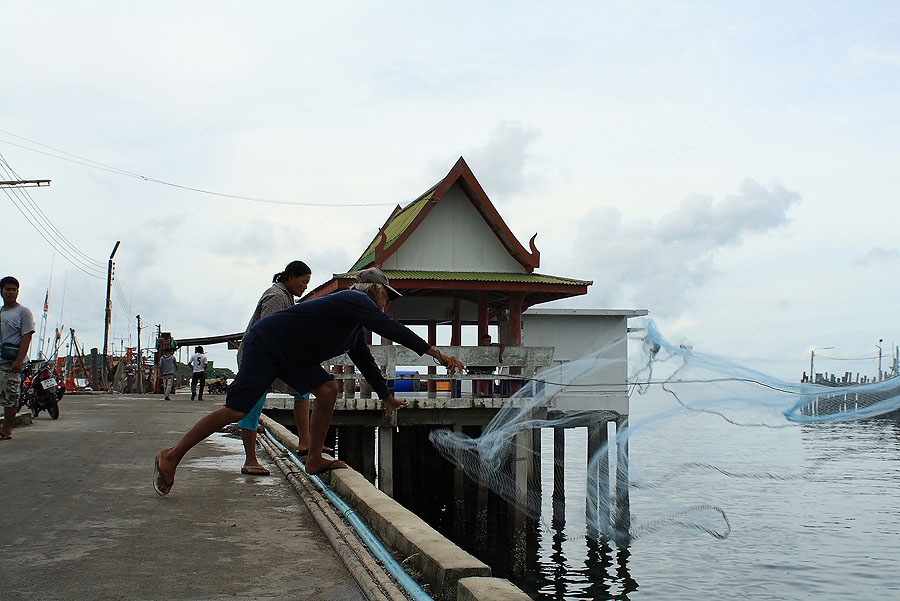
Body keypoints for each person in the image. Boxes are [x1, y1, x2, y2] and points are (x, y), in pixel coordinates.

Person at [154, 267, 464, 495]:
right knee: (237, 410)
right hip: (266, 344)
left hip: (293, 356)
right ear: (375, 290)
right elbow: (390, 328)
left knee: (327, 390)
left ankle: (314, 459)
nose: (386, 303)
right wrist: (436, 354)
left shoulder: (354, 326)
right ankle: (171, 456)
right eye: (386, 296)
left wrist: (385, 396)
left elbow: (365, 361)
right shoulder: (355, 299)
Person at [236, 261, 315, 476]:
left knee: (303, 390)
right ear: (290, 277)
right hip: (258, 359)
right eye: (303, 282)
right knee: (251, 406)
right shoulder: (276, 296)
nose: (305, 287)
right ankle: (250, 460)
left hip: (272, 358)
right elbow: (267, 331)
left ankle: (305, 443)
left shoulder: (286, 296)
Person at [0, 276, 35, 440]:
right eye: (8, 289)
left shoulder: (23, 312)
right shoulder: (1, 312)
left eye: (14, 289)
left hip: (12, 361)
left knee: (11, 396)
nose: (11, 292)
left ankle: (7, 429)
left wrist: (19, 361)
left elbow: (27, 336)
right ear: (2, 291)